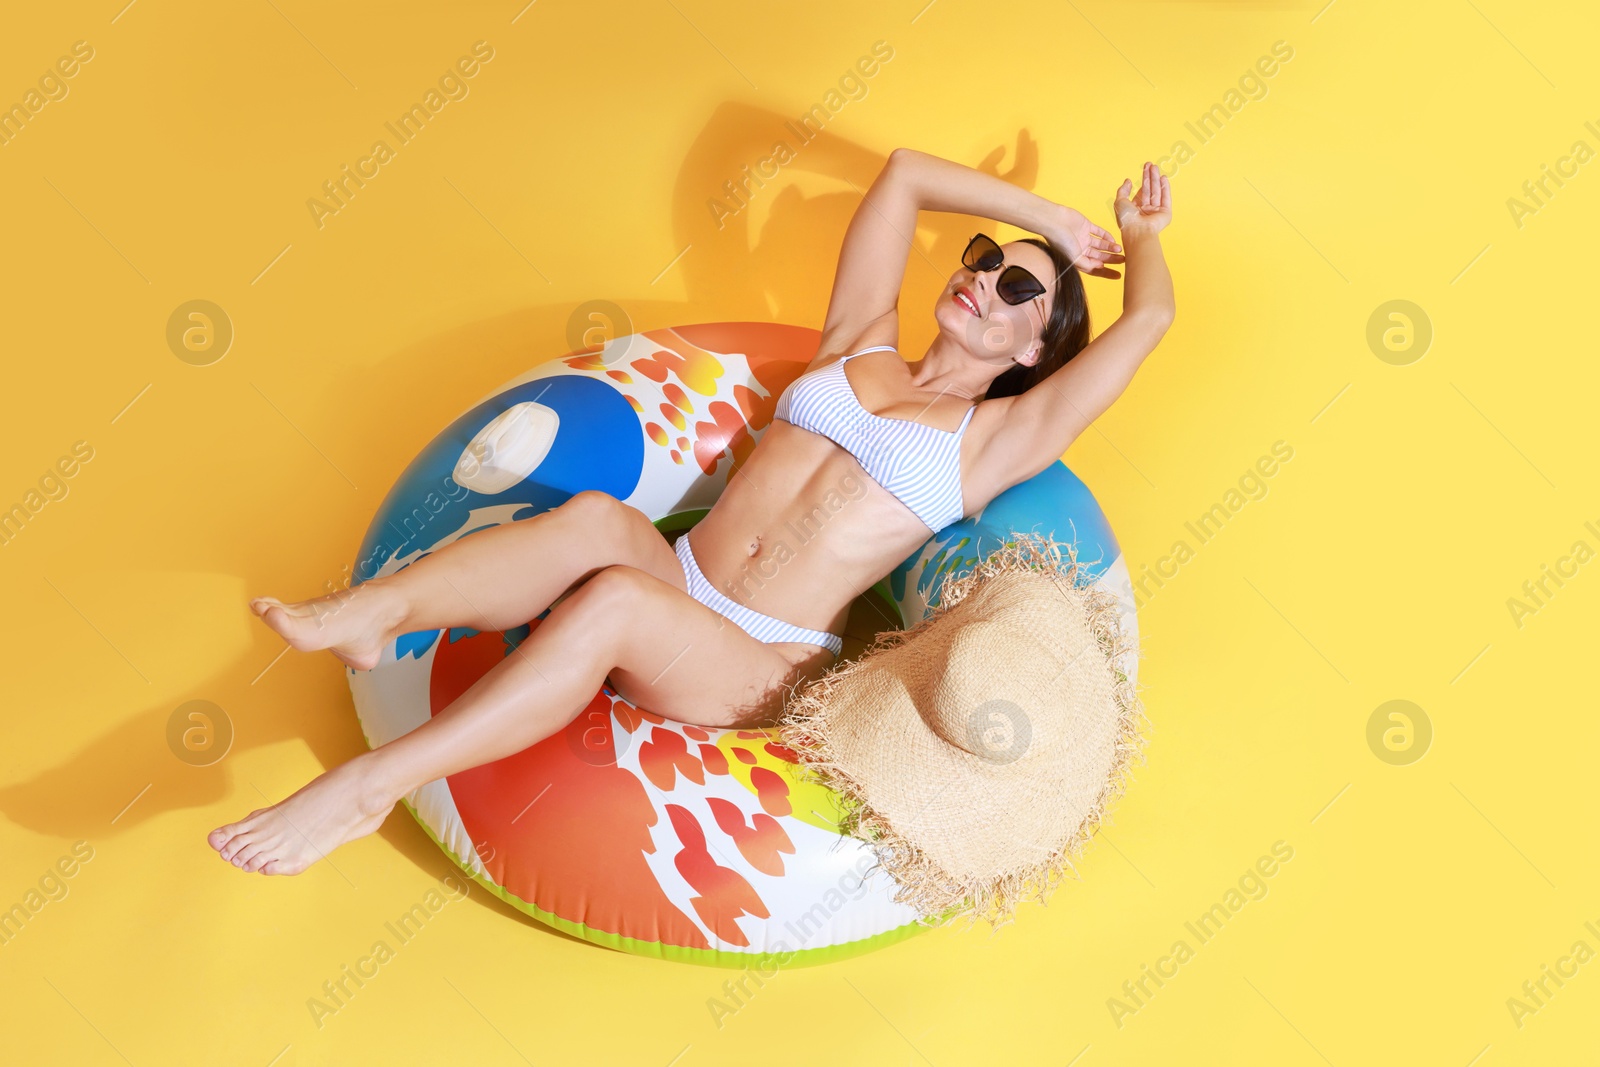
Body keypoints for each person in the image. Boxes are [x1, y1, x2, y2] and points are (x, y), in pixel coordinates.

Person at [207, 149, 1174, 876]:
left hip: (757, 658)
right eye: (980, 258)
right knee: (593, 519)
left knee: (618, 598)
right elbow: (904, 175)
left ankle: (369, 787)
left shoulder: (992, 440)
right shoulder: (859, 342)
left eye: (1016, 287)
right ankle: (377, 612)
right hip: (689, 579)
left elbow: (1149, 322)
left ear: (1030, 351)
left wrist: (1136, 237)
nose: (978, 277)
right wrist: (1044, 216)